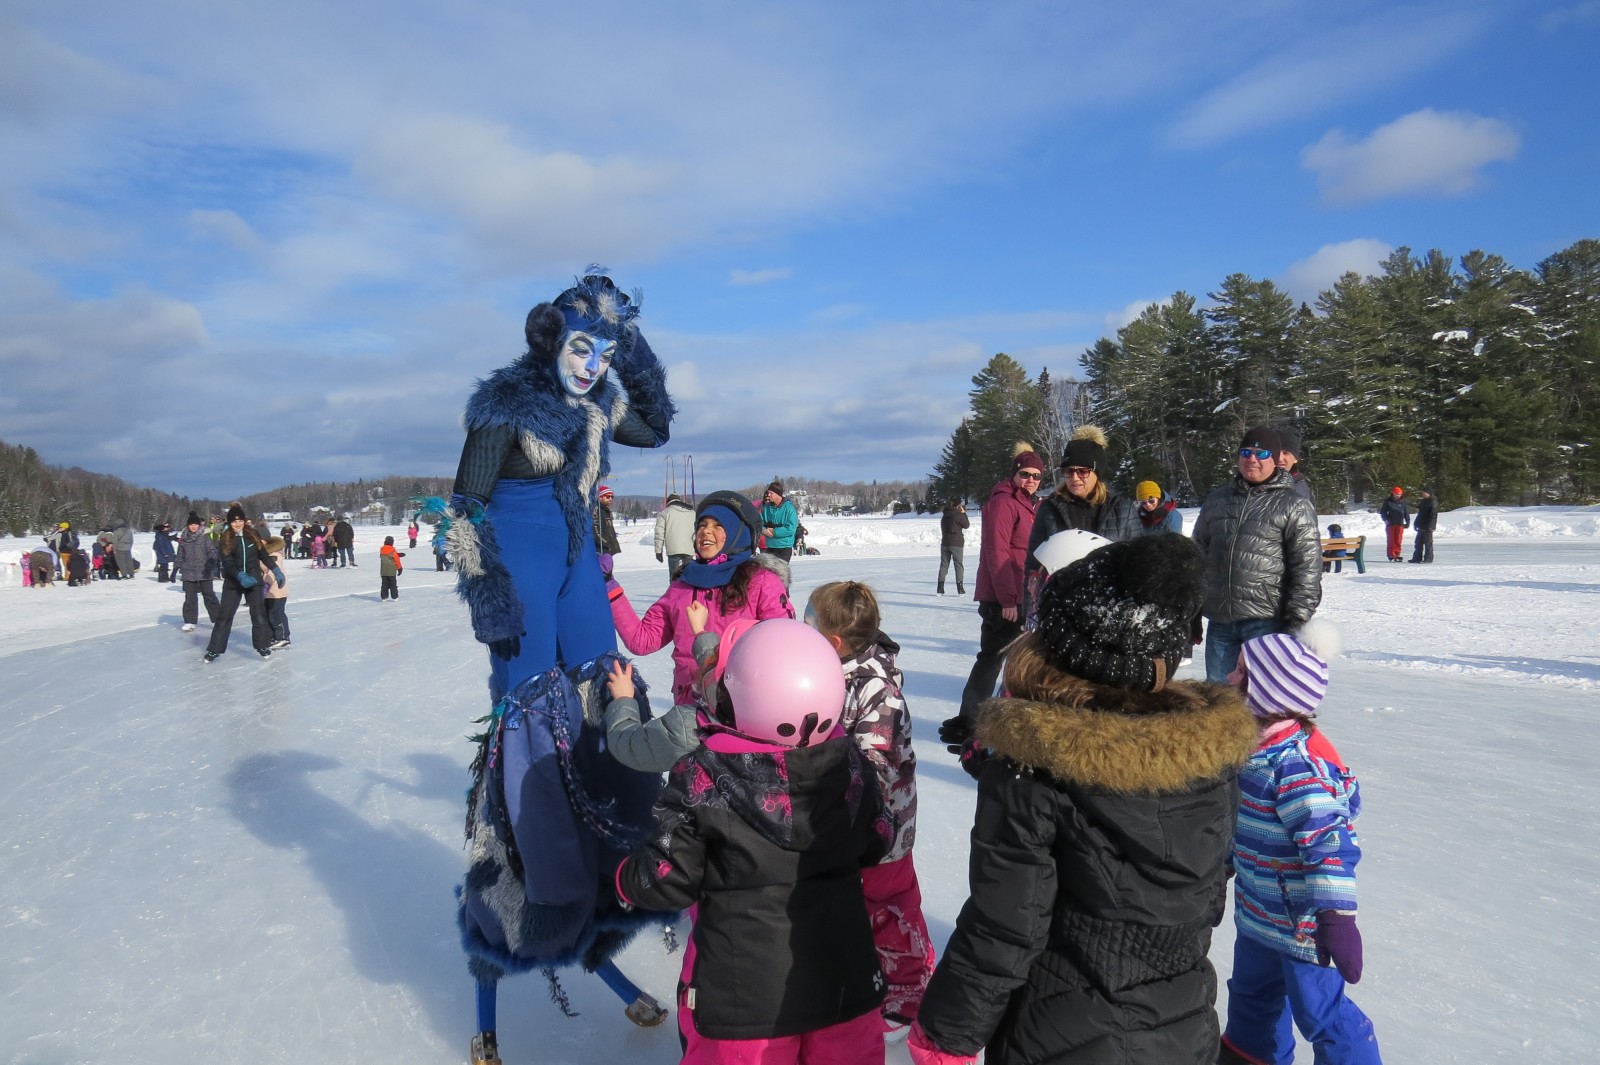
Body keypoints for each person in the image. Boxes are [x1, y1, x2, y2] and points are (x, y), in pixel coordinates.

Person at [434, 271, 676, 1065]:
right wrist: (487, 587)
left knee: (606, 685)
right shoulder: (510, 403)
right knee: (532, 706)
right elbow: (462, 505)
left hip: (577, 554)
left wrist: (634, 356)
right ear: (551, 339)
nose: (592, 362)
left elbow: (656, 428)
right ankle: (524, 872)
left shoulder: (600, 400)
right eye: (583, 346)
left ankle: (609, 849)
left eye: (604, 349)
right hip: (525, 552)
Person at [910, 534, 1257, 1065]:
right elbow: (1206, 899)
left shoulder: (1033, 770)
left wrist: (947, 1034)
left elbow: (1005, 926)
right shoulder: (1211, 762)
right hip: (1183, 1033)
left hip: (1060, 1035)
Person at [614, 618, 889, 1065]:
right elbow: (879, 838)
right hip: (845, 987)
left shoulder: (704, 776)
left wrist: (626, 878)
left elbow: (666, 878)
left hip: (745, 1005)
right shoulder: (851, 768)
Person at [1218, 625, 1382, 1065]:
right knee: (1251, 999)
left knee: (1320, 1013)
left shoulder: (1297, 769)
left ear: (1268, 692)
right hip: (1257, 916)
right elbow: (1244, 827)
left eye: (1240, 673)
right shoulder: (1251, 754)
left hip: (1300, 926)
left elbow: (1329, 847)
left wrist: (1337, 919)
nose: (1230, 680)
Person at [807, 580, 933, 1033]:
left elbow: (876, 766)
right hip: (848, 825)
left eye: (810, 621)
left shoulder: (877, 691)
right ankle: (865, 975)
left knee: (892, 908)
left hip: (884, 830)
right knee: (858, 906)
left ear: (835, 642)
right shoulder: (832, 674)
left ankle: (910, 995)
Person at [609, 490, 793, 706]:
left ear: (738, 533)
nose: (706, 532)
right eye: (702, 525)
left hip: (742, 709)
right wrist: (610, 589)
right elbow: (642, 640)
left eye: (717, 525)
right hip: (689, 712)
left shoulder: (761, 582)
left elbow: (784, 647)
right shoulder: (681, 587)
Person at [1192, 426, 1322, 682]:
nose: (1252, 458)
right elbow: (1196, 556)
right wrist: (1191, 610)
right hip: (1221, 621)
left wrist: (1295, 620)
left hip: (1266, 622)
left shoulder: (1294, 504)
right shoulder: (1217, 500)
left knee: (1262, 699)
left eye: (1261, 453)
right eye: (1246, 452)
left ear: (1274, 460)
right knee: (1219, 698)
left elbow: (1307, 569)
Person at [943, 446, 1042, 753]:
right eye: (1024, 474)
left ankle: (975, 719)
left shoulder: (1026, 504)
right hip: (1005, 597)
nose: (1030, 481)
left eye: (1036, 476)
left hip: (1020, 592)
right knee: (994, 658)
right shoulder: (1004, 502)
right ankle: (974, 722)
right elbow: (997, 552)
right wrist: (1009, 599)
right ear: (1014, 473)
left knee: (999, 658)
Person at [1023, 425, 1141, 622]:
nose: (1075, 478)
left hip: (1109, 612)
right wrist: (1030, 613)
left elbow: (1140, 563)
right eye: (1068, 471)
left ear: (1097, 472)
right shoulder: (1049, 508)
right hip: (1061, 611)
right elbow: (1033, 566)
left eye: (1083, 471)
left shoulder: (1123, 508)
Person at [204, 505, 282, 661]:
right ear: (230, 523)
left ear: (244, 521)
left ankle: (262, 645)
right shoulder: (226, 538)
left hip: (254, 580)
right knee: (224, 616)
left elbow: (263, 555)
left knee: (259, 614)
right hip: (234, 582)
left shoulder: (252, 535)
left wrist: (276, 570)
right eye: (234, 521)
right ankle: (215, 649)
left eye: (240, 520)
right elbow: (227, 562)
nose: (237, 524)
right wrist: (239, 575)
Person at [174, 512, 221, 632]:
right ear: (188, 526)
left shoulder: (204, 537)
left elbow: (212, 551)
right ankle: (189, 621)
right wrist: (175, 569)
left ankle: (218, 619)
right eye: (191, 525)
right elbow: (180, 555)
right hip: (188, 572)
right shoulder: (184, 539)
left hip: (204, 571)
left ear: (199, 526)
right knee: (190, 598)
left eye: (195, 524)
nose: (193, 527)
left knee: (209, 596)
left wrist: (211, 560)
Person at [653, 492, 695, 580]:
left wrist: (658, 551)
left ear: (668, 502)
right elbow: (697, 532)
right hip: (689, 548)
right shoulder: (692, 513)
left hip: (673, 549)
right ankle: (689, 593)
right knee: (690, 575)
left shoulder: (664, 513)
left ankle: (674, 592)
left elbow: (659, 533)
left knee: (674, 576)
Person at [260, 536, 292, 649]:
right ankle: (274, 636)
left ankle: (283, 637)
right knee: (269, 614)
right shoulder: (264, 555)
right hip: (270, 591)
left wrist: (266, 586)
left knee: (276, 614)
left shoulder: (273, 555)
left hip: (277, 590)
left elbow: (272, 572)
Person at [759, 480, 799, 564]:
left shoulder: (789, 508)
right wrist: (763, 530)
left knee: (780, 574)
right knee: (768, 574)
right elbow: (759, 523)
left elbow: (791, 528)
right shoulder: (766, 508)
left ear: (778, 494)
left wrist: (775, 532)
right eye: (768, 492)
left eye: (771, 493)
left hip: (784, 547)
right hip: (769, 547)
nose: (768, 495)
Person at [1276, 428, 1316, 508]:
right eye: (1276, 452)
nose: (1280, 458)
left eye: (1286, 453)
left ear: (1295, 459)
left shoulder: (1299, 487)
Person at [936, 498, 968, 595]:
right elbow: (966, 525)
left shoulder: (944, 516)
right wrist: (963, 513)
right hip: (956, 543)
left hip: (945, 542)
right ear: (958, 505)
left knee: (944, 565)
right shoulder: (958, 515)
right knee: (958, 565)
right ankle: (960, 587)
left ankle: (940, 587)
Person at [593, 484, 622, 576]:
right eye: (607, 496)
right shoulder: (597, 510)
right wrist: (606, 543)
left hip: (608, 549)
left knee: (608, 572)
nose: (610, 499)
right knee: (605, 574)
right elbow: (595, 530)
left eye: (612, 497)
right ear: (600, 497)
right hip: (601, 549)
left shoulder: (606, 511)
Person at [1377, 487, 1409, 563]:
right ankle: (1391, 554)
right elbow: (1383, 512)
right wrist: (1386, 520)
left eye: (1399, 494)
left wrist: (1408, 522)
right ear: (1393, 493)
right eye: (1396, 494)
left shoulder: (1403, 502)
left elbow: (1406, 513)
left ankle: (1397, 554)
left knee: (1398, 540)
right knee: (1391, 540)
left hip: (1400, 524)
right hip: (1390, 524)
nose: (1398, 495)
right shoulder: (1388, 502)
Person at [1410, 488, 1437, 564]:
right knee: (1418, 542)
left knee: (1428, 543)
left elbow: (1433, 515)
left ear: (1429, 493)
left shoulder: (1433, 502)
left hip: (1428, 526)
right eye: (1422, 493)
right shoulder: (1424, 501)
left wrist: (1431, 525)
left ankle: (1428, 558)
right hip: (1421, 525)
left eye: (1424, 493)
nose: (1423, 494)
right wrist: (1416, 523)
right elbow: (1420, 514)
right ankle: (1416, 558)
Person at [379, 535, 405, 600]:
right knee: (393, 584)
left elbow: (388, 556)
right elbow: (396, 559)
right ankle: (394, 597)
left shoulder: (382, 550)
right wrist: (399, 568)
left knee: (384, 584)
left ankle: (384, 597)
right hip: (391, 571)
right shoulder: (392, 550)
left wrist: (398, 554)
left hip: (383, 571)